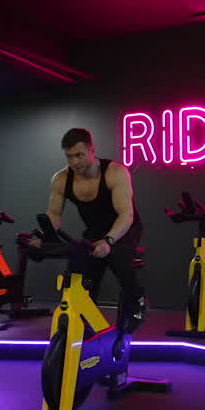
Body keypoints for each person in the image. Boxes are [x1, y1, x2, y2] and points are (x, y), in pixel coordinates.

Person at [45, 127, 147, 332]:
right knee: (80, 266)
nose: (74, 162)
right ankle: (84, 317)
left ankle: (137, 301)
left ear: (92, 150)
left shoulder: (114, 172)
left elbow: (126, 215)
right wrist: (46, 237)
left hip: (125, 228)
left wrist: (109, 241)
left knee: (118, 257)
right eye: (69, 156)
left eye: (79, 155)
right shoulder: (61, 179)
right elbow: (54, 214)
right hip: (94, 230)